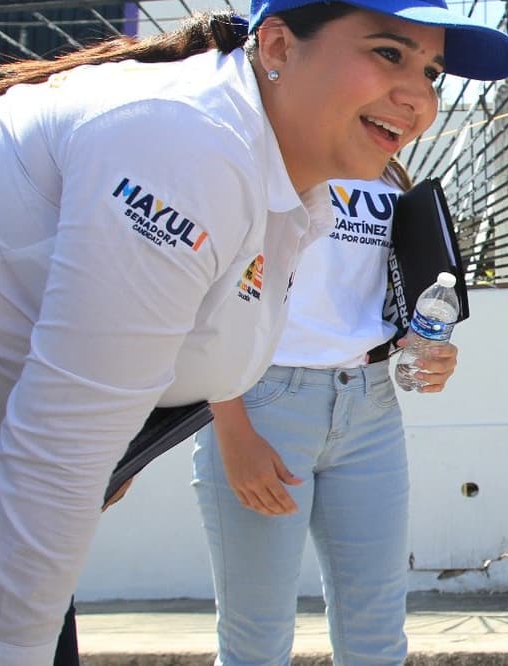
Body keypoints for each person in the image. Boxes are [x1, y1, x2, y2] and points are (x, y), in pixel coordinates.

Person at [0, 0, 508, 666]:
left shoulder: (287, 190)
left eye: (431, 73)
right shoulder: (189, 142)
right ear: (276, 45)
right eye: (387, 53)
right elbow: (59, 447)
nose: (418, 99)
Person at [191, 156, 461, 665]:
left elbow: (389, 298)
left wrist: (433, 351)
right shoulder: (267, 150)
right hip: (262, 402)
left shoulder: (389, 173)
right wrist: (230, 426)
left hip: (369, 402)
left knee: (377, 637)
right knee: (257, 640)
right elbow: (208, 297)